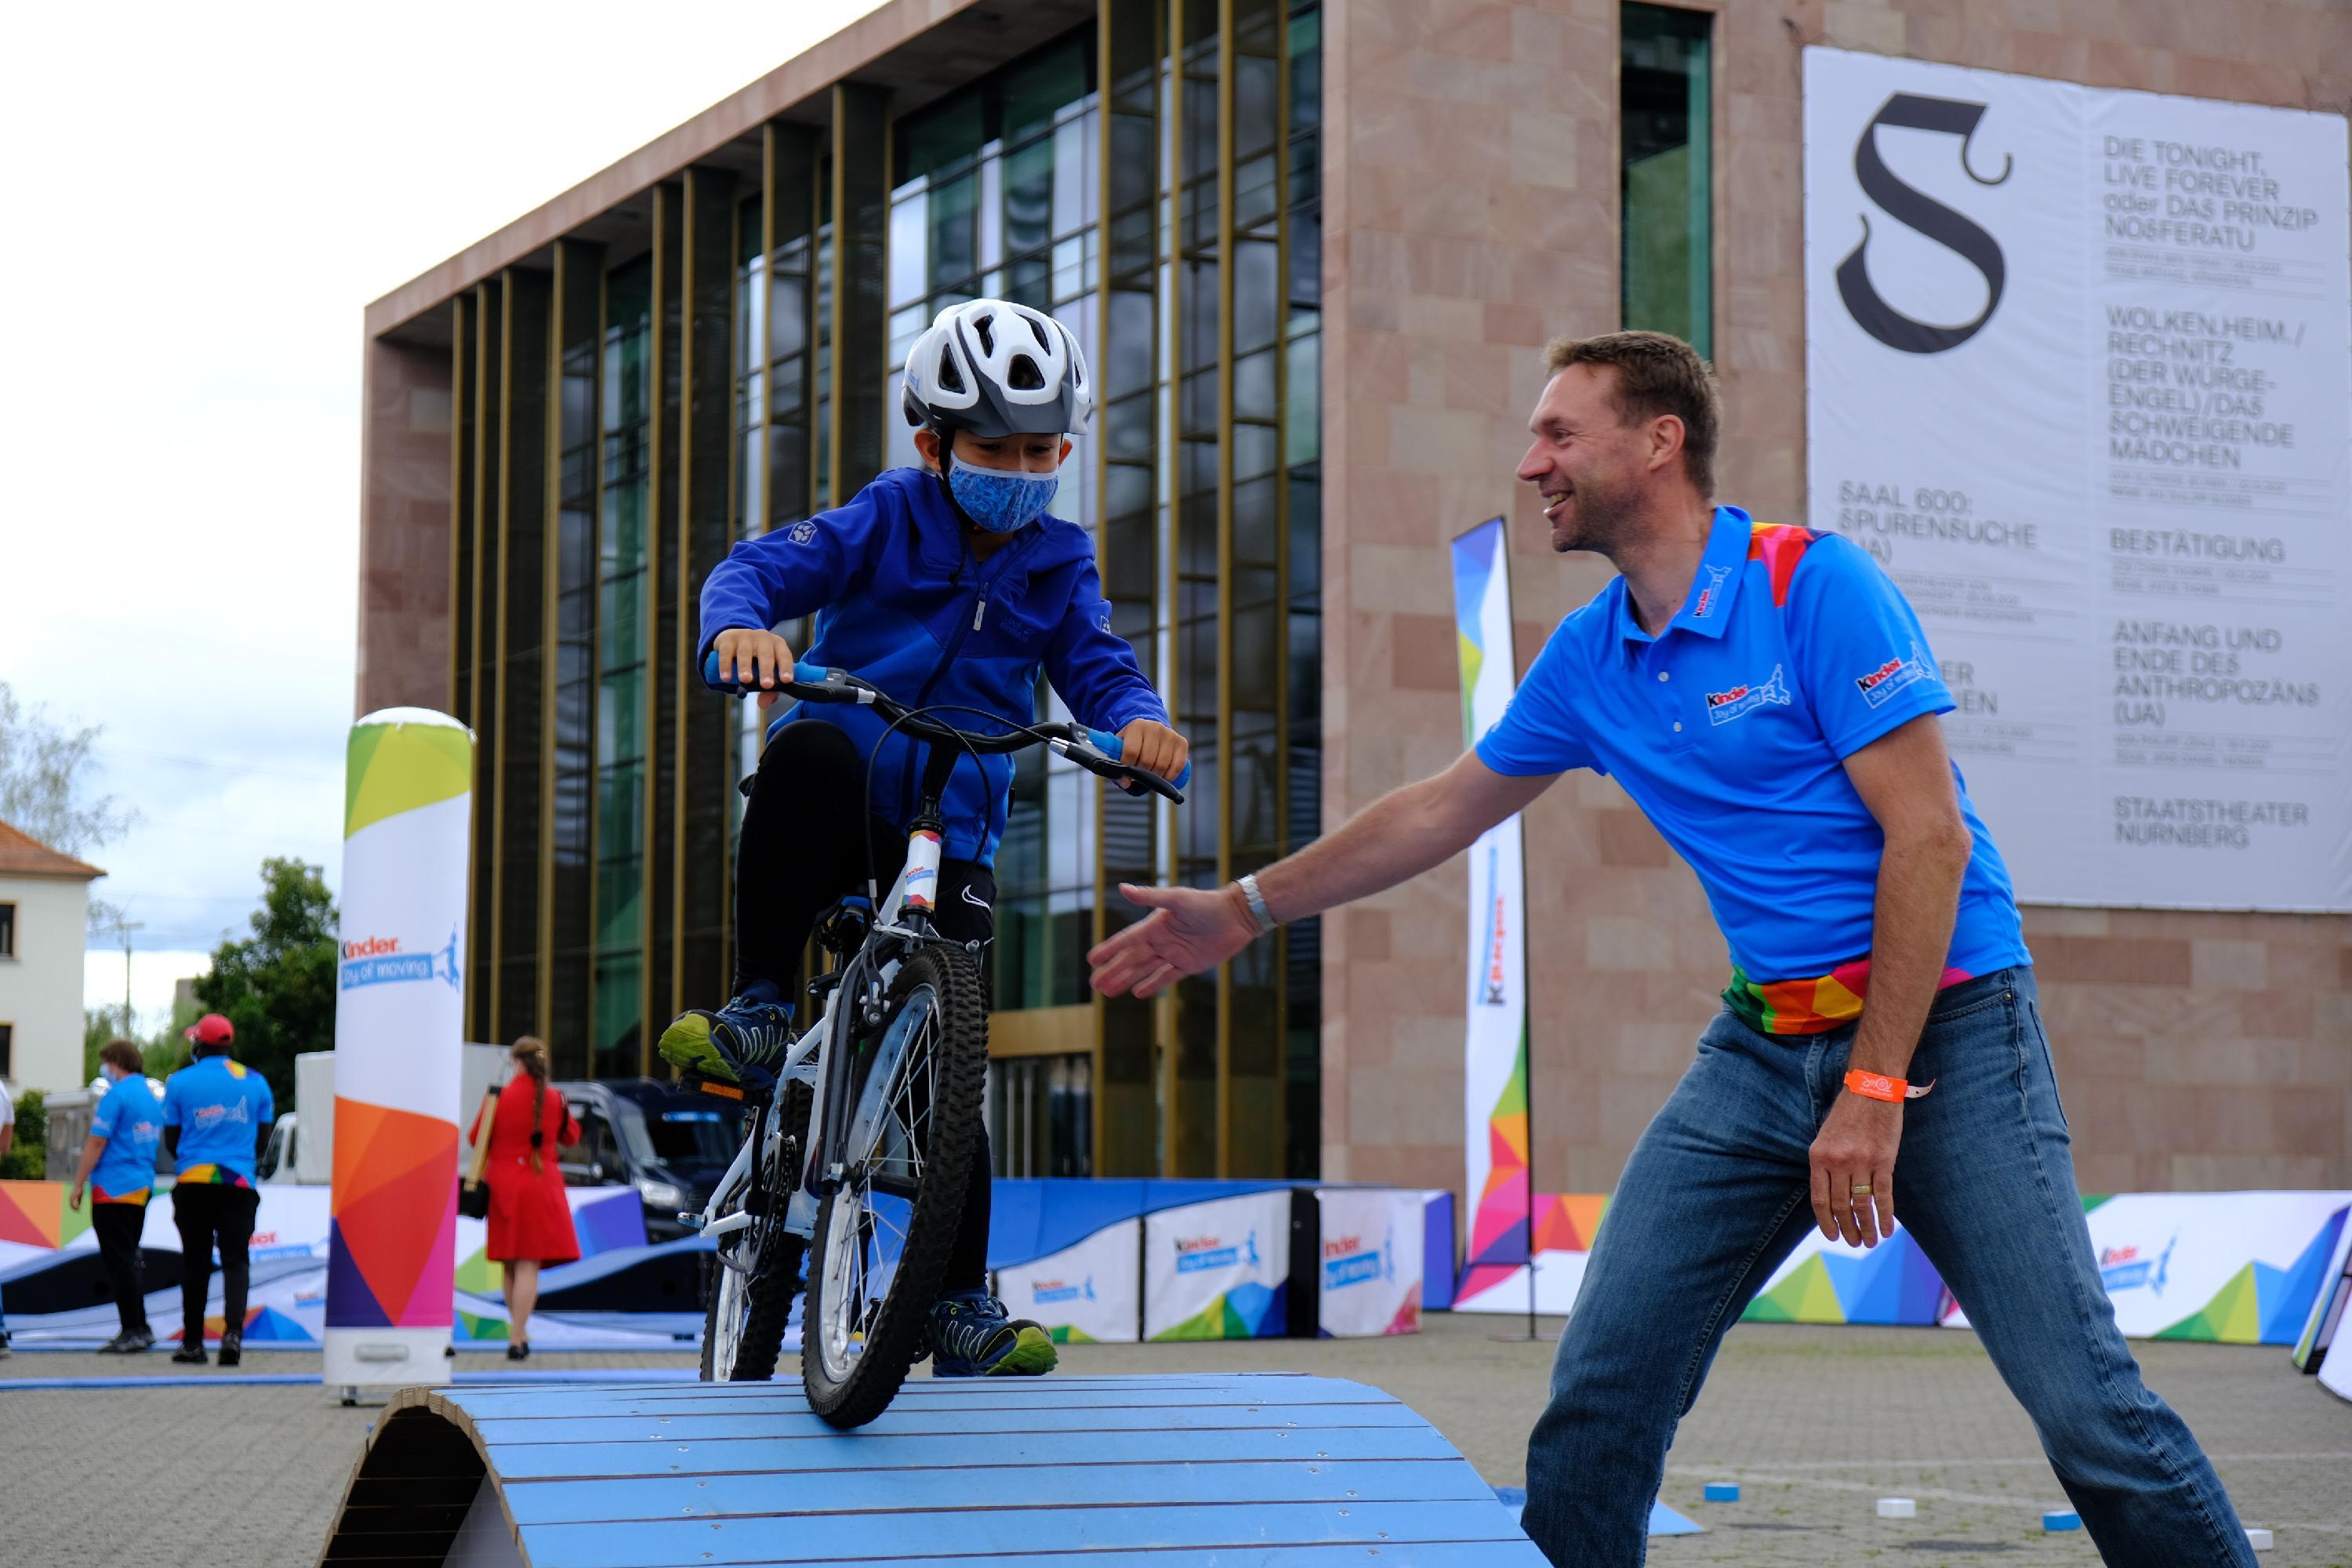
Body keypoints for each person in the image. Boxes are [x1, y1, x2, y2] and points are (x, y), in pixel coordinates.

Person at [1089, 332, 2256, 1566]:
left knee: (2091, 1414)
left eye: (1557, 433)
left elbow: (1929, 843)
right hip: (1759, 1053)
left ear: (1661, 442)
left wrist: (1873, 1085)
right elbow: (1441, 807)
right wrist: (1246, 907)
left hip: (1947, 1037)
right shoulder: (1592, 658)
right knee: (1601, 1393)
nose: (1529, 460)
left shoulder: (1812, 584)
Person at [659, 297, 1188, 1378]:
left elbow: (1096, 661)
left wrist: (1138, 717)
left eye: (1045, 450)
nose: (1023, 469)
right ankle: (761, 1008)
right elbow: (757, 570)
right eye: (997, 449)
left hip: (952, 821)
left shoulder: (1059, 560)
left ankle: (955, 1300)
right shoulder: (890, 515)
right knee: (808, 754)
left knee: (949, 1059)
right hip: (846, 790)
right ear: (933, 446)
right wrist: (743, 628)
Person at [161, 1012, 274, 1368]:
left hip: (193, 1183)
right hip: (238, 1183)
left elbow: (171, 1140)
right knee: (236, 1261)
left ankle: (193, 1343)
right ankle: (233, 1336)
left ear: (198, 1044)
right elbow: (264, 1141)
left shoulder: (179, 1082)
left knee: (194, 1262)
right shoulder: (256, 1081)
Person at [467, 1036, 580, 1359]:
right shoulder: (556, 1098)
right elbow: (572, 1137)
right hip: (542, 1187)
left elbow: (477, 1139)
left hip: (504, 1189)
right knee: (529, 1265)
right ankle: (519, 1333)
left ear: (517, 1062)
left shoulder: (498, 1098)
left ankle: (516, 1333)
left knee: (510, 1264)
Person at [68, 1040, 164, 1352]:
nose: (105, 1069)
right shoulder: (150, 1096)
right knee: (131, 1259)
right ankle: (142, 1327)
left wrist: (79, 1183)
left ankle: (131, 1330)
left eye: (106, 1063)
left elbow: (96, 1143)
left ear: (115, 1063)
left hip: (113, 1188)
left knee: (120, 1262)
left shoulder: (116, 1096)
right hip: (140, 1186)